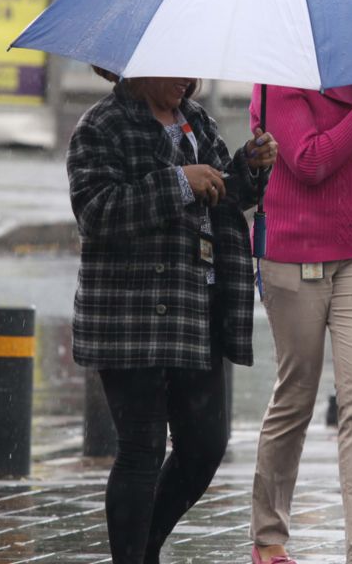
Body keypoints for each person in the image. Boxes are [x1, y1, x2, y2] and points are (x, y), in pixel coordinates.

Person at [67, 72, 277, 564]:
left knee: (204, 446)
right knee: (140, 449)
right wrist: (179, 182)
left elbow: (222, 196)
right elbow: (96, 212)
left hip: (197, 311)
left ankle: (145, 548)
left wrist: (245, 169)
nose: (186, 79)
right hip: (130, 318)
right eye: (175, 66)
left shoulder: (196, 121)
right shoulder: (101, 126)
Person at [248, 79, 352, 564]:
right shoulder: (277, 79)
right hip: (292, 253)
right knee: (296, 394)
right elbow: (310, 162)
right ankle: (268, 535)